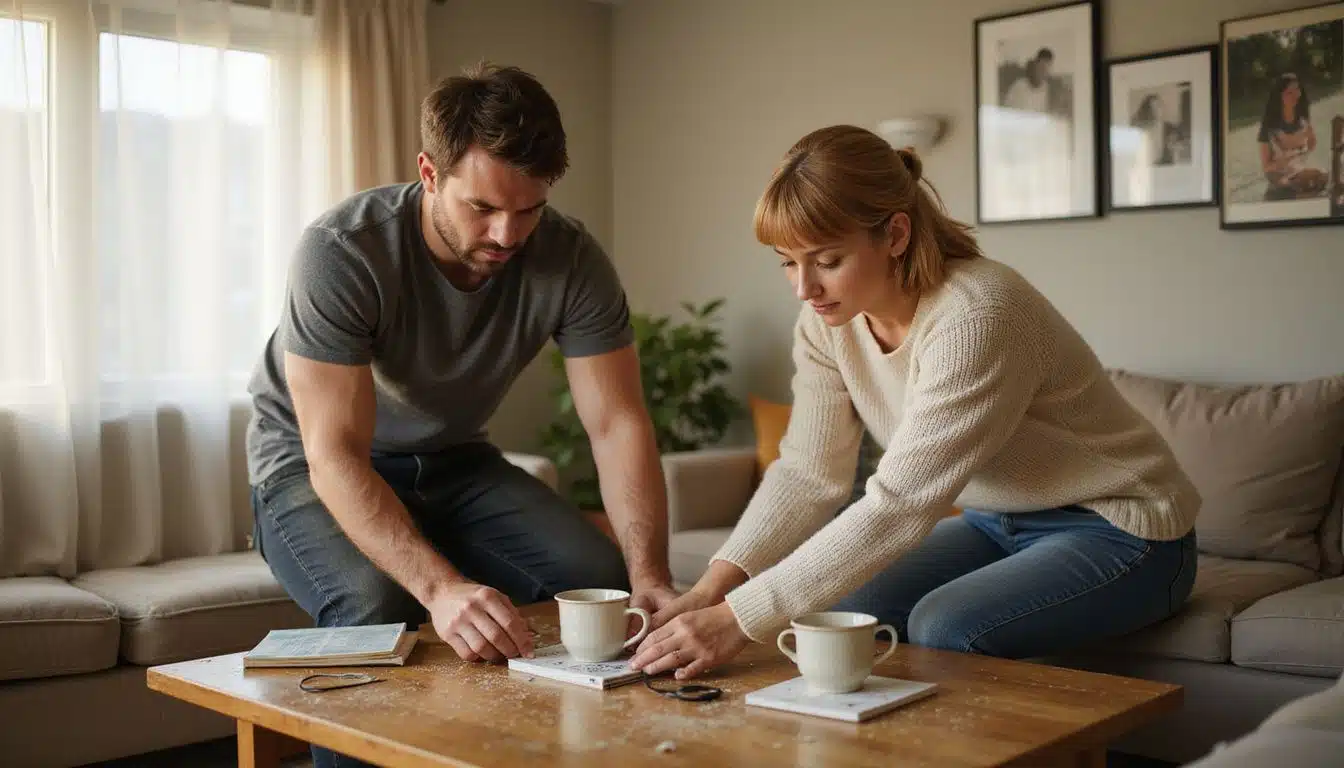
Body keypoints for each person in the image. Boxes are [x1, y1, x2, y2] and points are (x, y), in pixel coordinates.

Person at [630, 125, 1200, 682]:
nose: (804, 288)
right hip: (993, 522)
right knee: (837, 611)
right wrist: (713, 589)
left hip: (1123, 531)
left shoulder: (977, 316)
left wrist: (737, 620)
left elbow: (899, 504)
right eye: (787, 261)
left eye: (827, 261)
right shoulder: (826, 323)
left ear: (896, 235)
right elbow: (807, 471)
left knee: (945, 626)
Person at [247, 63, 678, 764]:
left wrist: (651, 575)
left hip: (454, 458)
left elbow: (617, 424)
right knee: (376, 607)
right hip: (310, 461)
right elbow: (335, 455)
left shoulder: (571, 260)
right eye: (483, 207)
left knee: (600, 581)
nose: (508, 234)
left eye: (529, 210)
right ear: (429, 173)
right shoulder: (342, 251)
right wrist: (440, 588)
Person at [1257, 72, 1327, 200]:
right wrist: (1283, 162)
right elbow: (1266, 167)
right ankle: (1281, 194)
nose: (1295, 95)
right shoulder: (1268, 127)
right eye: (1289, 93)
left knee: (1323, 175)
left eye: (1297, 90)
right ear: (1279, 96)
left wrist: (1304, 148)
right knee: (1287, 187)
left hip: (1297, 170)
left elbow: (1312, 143)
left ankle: (1303, 195)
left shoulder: (1303, 119)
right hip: (1278, 174)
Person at [1002, 47, 1053, 114]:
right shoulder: (1019, 86)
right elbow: (1005, 111)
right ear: (1035, 66)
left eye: (1046, 69)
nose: (1043, 72)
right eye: (1041, 67)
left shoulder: (1045, 89)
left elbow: (1044, 113)